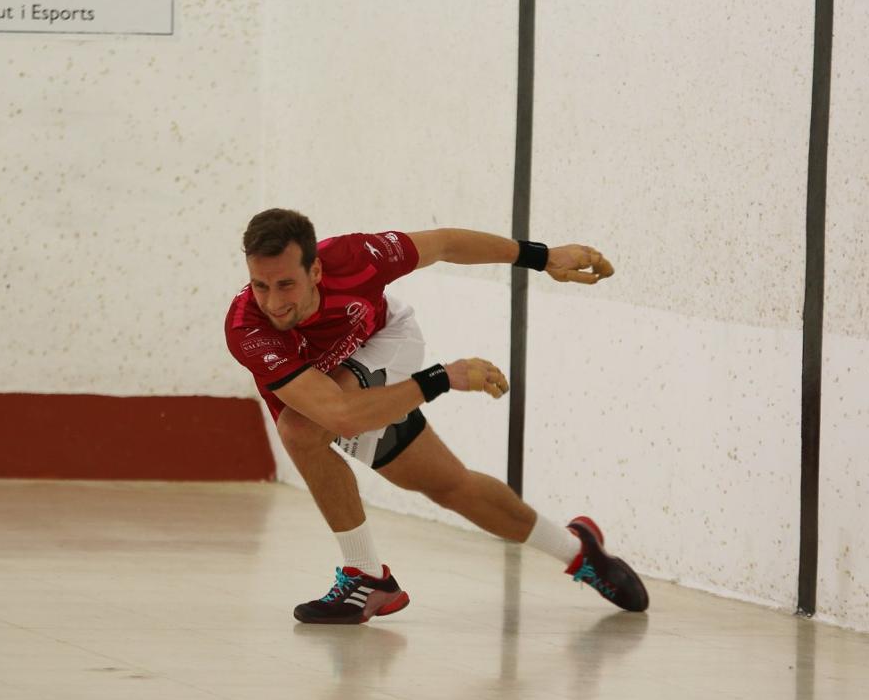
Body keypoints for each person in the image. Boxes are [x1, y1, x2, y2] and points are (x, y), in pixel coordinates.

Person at [225, 208, 648, 624]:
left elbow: (445, 243)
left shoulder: (357, 258)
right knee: (450, 485)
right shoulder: (247, 328)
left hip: (386, 342)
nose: (273, 303)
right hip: (340, 390)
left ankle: (367, 577)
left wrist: (542, 256)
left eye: (286, 284)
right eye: (261, 285)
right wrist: (434, 381)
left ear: (315, 270)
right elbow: (338, 413)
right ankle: (579, 550)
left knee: (300, 430)